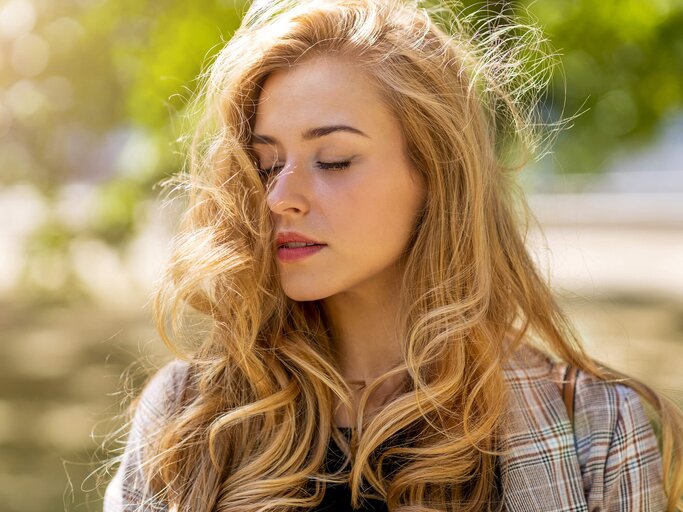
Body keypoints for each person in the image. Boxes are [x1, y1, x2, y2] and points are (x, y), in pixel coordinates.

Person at [103, 0, 683, 510]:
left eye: (332, 160)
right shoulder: (189, 414)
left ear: (435, 173)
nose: (280, 198)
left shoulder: (598, 428)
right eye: (266, 163)